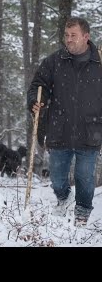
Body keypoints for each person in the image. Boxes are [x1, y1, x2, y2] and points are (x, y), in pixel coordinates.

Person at [27, 16, 101, 227]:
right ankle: (63, 198)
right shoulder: (53, 62)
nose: (68, 40)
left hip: (91, 130)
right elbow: (37, 86)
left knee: (85, 177)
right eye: (66, 36)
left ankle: (82, 211)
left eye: (73, 36)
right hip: (59, 128)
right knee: (58, 178)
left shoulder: (99, 62)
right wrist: (36, 101)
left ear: (86, 37)